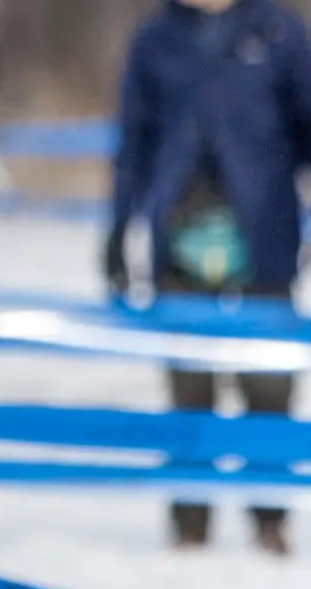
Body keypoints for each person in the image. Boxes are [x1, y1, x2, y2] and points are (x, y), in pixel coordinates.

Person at [106, 0, 311, 555]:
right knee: (189, 387)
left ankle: (270, 518)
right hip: (179, 235)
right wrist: (117, 230)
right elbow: (133, 141)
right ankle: (189, 521)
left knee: (269, 386)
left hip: (264, 235)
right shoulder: (156, 38)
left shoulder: (278, 30)